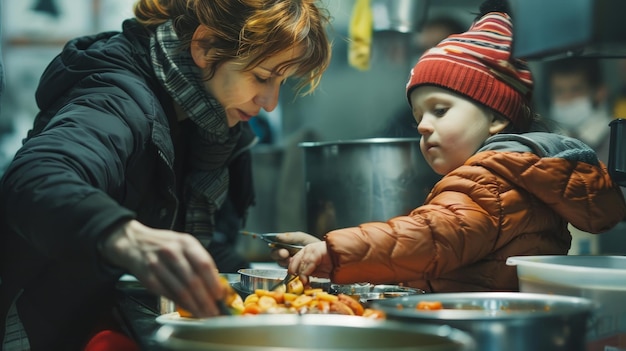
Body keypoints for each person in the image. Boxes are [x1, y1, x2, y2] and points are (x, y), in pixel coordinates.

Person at [0, 0, 332, 349]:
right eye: (262, 77)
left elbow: (195, 243)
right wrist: (128, 237)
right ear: (204, 46)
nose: (270, 102)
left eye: (281, 82)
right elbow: (36, 176)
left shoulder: (210, 126)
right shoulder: (115, 98)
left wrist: (271, 278)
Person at [271, 1, 626, 293]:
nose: (424, 125)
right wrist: (325, 252)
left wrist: (335, 252)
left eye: (440, 110)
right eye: (419, 117)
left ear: (496, 118)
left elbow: (428, 239)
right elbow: (430, 260)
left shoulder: (489, 183)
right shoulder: (518, 172)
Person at [544, 57, 613, 164]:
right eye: (559, 91)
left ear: (600, 93)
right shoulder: (548, 145)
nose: (567, 98)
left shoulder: (618, 140)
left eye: (576, 89)